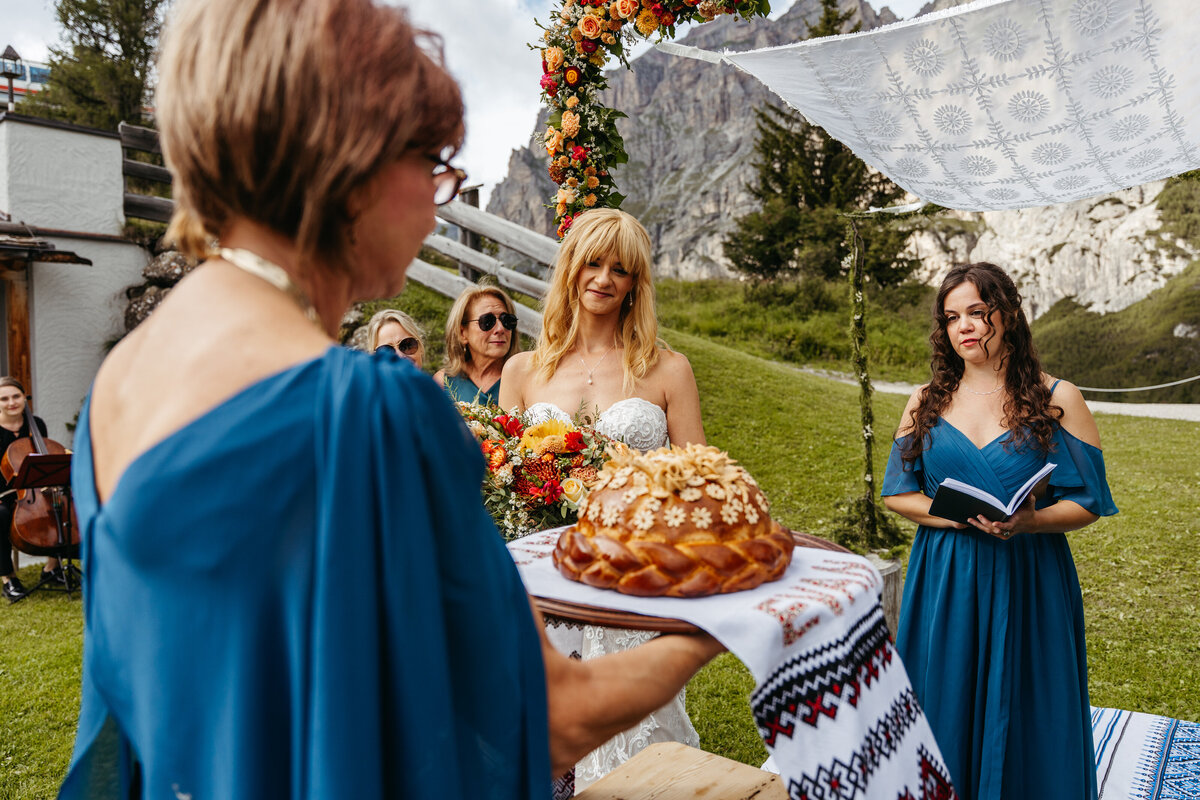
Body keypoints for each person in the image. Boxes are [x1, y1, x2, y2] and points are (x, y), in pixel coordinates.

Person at [57, 1, 722, 797]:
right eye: (435, 163)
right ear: (354, 162)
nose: (442, 196)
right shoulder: (372, 416)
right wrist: (720, 618)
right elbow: (548, 715)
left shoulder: (121, 382)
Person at [881, 262, 1117, 800]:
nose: (963, 326)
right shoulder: (925, 401)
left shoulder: (1058, 397)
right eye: (951, 318)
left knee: (1031, 700)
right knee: (945, 693)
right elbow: (898, 491)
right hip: (946, 575)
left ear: (1006, 314)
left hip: (1029, 573)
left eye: (977, 313)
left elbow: (1088, 503)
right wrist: (955, 516)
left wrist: (1027, 520)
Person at [499, 208, 705, 791]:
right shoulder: (522, 371)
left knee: (629, 733)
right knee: (544, 728)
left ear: (636, 283)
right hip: (545, 572)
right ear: (571, 269)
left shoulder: (669, 368)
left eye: (621, 269)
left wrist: (635, 477)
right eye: (593, 262)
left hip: (632, 573)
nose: (604, 278)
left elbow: (698, 484)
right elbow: (502, 476)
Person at [0, 377, 64, 601]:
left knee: (59, 504)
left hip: (34, 490)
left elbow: (43, 457)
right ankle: (8, 578)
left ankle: (52, 568)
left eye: (16, 396)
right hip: (3, 495)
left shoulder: (36, 424)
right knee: (1, 515)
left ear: (24, 398)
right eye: (4, 398)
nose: (11, 403)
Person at [434, 282, 520, 405]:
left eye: (506, 320)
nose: (500, 329)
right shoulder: (443, 383)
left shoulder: (525, 379)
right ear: (462, 333)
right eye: (487, 321)